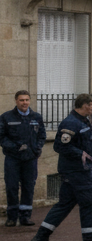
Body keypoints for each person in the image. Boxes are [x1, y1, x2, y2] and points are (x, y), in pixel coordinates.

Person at [30, 94, 92, 241]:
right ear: (84, 105)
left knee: (64, 204)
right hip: (77, 172)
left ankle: (41, 236)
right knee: (90, 204)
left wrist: (88, 160)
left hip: (78, 170)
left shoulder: (83, 120)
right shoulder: (71, 122)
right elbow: (60, 146)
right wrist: (81, 155)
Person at [1, 90, 45, 227]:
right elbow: (1, 137)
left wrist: (37, 149)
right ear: (16, 101)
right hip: (13, 158)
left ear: (29, 101)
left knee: (29, 186)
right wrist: (15, 147)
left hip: (30, 158)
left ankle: (25, 216)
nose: (24, 103)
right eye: (21, 100)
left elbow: (42, 135)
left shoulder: (36, 117)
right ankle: (12, 217)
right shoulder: (6, 117)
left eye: (26, 100)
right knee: (12, 187)